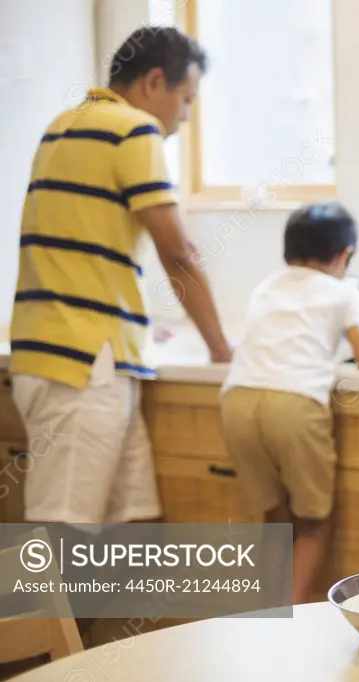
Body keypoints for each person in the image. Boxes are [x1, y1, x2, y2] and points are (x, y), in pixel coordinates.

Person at [9, 26, 232, 528]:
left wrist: (132, 324)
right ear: (154, 81)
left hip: (68, 353)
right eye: (186, 99)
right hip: (82, 369)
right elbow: (178, 253)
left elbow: (77, 246)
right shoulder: (133, 129)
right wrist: (221, 348)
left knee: (134, 522)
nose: (186, 117)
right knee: (60, 541)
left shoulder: (63, 125)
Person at [219, 201, 359, 604]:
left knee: (275, 519)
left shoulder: (268, 285)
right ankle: (291, 615)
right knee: (312, 522)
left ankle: (268, 609)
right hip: (294, 403)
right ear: (345, 255)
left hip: (237, 400)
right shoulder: (344, 290)